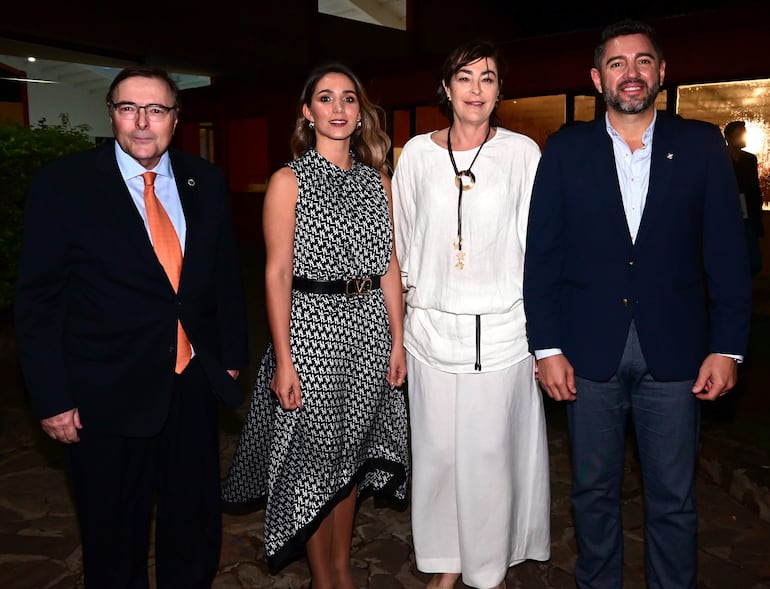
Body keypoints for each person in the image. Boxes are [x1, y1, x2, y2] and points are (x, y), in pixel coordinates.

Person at [523, 19, 752, 589]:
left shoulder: (699, 146)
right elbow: (542, 257)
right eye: (619, 64)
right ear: (597, 77)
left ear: (662, 72)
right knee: (593, 494)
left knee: (673, 499)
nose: (632, 73)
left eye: (643, 61)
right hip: (587, 354)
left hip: (675, 356)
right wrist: (546, 347)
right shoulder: (566, 149)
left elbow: (727, 255)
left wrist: (728, 348)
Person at [14, 66, 248, 588]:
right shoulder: (64, 185)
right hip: (104, 397)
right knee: (112, 540)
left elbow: (224, 278)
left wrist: (228, 355)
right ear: (113, 114)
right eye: (128, 108)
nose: (142, 123)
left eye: (156, 110)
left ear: (176, 118)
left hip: (189, 389)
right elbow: (38, 300)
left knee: (193, 531)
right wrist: (52, 396)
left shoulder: (203, 180)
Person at [221, 63, 409, 589]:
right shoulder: (289, 179)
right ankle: (324, 576)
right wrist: (284, 360)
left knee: (350, 456)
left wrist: (398, 339)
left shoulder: (379, 182)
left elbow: (389, 264)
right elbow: (277, 272)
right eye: (325, 99)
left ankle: (342, 566)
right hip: (312, 332)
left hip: (370, 329)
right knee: (313, 461)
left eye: (348, 98)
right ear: (308, 112)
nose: (339, 108)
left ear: (359, 110)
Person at [391, 40, 551, 589]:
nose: (476, 90)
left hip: (503, 331)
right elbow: (402, 240)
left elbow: (539, 246)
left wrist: (546, 338)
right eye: (465, 78)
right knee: (437, 455)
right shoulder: (414, 153)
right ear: (446, 88)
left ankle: (486, 567)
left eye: (488, 78)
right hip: (430, 330)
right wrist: (398, 328)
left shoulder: (522, 153)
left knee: (487, 455)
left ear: (500, 89)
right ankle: (445, 562)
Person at [724, 120, 765, 276]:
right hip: (727, 211)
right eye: (739, 134)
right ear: (727, 137)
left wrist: (757, 213)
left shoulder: (749, 159)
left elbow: (754, 187)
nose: (743, 137)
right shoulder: (720, 157)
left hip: (748, 211)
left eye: (743, 133)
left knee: (753, 260)